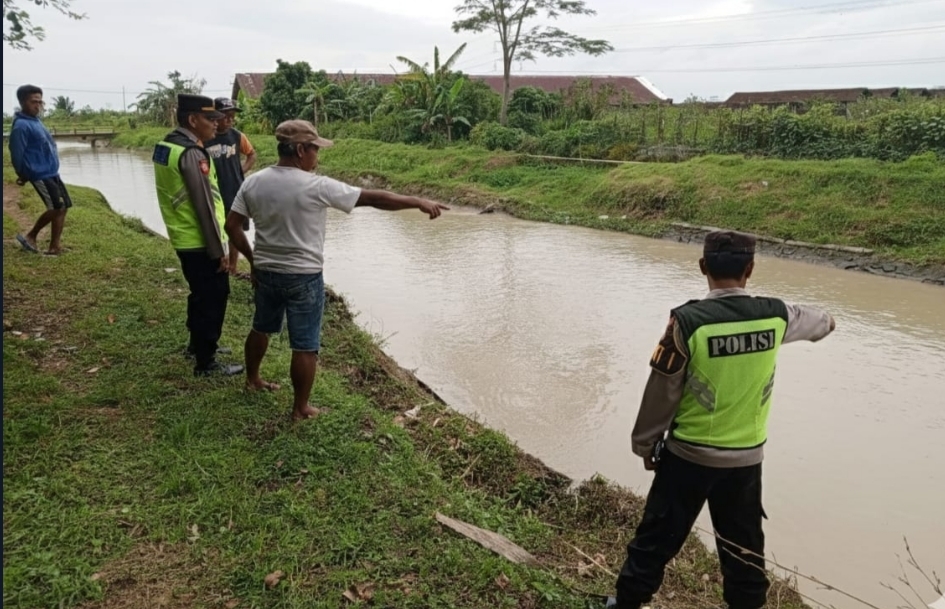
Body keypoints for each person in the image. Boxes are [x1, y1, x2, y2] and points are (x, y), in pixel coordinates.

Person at [607, 230, 836, 609]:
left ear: (703, 267)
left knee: (655, 540)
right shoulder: (776, 315)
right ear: (751, 269)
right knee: (744, 552)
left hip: (688, 457)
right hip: (746, 461)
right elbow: (825, 323)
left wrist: (645, 445)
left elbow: (662, 391)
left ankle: (627, 604)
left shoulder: (687, 322)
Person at [224, 120, 449, 421]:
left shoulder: (254, 182)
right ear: (300, 150)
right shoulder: (316, 186)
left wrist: (253, 261)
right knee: (305, 346)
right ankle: (300, 408)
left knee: (261, 327)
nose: (317, 156)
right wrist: (417, 201)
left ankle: (252, 380)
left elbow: (232, 226)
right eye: (315, 149)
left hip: (266, 271)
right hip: (304, 277)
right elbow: (373, 198)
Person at [152, 93, 244, 377]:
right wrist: (219, 252)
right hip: (200, 240)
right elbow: (204, 205)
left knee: (200, 294)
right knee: (214, 297)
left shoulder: (166, 145)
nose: (216, 123)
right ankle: (207, 361)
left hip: (182, 235)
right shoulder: (192, 153)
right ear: (193, 120)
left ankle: (197, 345)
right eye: (210, 119)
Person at [9, 84, 72, 256]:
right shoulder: (21, 126)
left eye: (40, 102)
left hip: (52, 172)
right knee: (55, 207)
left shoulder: (36, 121)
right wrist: (22, 174)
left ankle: (55, 246)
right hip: (39, 173)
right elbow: (16, 153)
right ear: (22, 102)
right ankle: (30, 236)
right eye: (33, 102)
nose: (38, 105)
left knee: (64, 206)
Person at [204, 97, 257, 275]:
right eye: (225, 116)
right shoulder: (205, 138)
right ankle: (219, 260)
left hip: (235, 190)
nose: (229, 120)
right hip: (214, 191)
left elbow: (251, 154)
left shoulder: (237, 136)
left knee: (236, 229)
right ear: (214, 117)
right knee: (216, 227)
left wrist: (241, 171)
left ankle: (233, 267)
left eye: (232, 116)